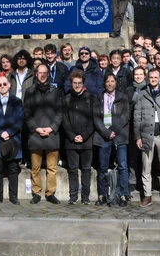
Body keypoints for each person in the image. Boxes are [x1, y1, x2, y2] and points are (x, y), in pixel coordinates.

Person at [133, 68, 160, 207]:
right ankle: (147, 195)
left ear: (159, 78)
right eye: (151, 77)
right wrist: (138, 137)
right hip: (146, 135)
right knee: (146, 166)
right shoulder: (141, 95)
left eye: (155, 77)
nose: (153, 79)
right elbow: (136, 117)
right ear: (147, 78)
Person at [23, 65, 63, 205]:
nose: (42, 75)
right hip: (36, 134)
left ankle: (50, 193)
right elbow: (26, 113)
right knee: (35, 168)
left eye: (45, 73)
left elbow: (59, 113)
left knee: (52, 168)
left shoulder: (56, 91)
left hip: (52, 134)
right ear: (36, 74)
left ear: (48, 74)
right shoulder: (29, 91)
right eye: (40, 73)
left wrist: (51, 128)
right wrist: (37, 128)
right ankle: (36, 193)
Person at [62, 71, 102, 205]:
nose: (77, 85)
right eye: (75, 83)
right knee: (73, 169)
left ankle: (85, 196)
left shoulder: (90, 98)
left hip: (87, 140)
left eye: (79, 83)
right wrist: (73, 136)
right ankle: (73, 196)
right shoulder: (66, 98)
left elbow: (94, 119)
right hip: (71, 140)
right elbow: (65, 120)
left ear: (83, 83)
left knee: (86, 169)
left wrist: (84, 136)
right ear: (71, 83)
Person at [0, 75, 24, 205]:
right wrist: (1, 132)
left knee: (13, 168)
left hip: (13, 140)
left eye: (4, 84)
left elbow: (19, 119)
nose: (2, 86)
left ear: (9, 85)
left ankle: (13, 196)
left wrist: (9, 132)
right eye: (0, 84)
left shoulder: (17, 101)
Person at [94, 74, 130, 207]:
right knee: (102, 167)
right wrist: (107, 132)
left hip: (119, 135)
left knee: (122, 166)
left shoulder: (122, 97)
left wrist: (114, 130)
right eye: (107, 81)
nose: (109, 83)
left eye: (112, 81)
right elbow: (96, 117)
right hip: (104, 136)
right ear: (104, 83)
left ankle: (124, 194)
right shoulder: (99, 98)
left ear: (116, 83)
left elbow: (125, 115)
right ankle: (102, 194)